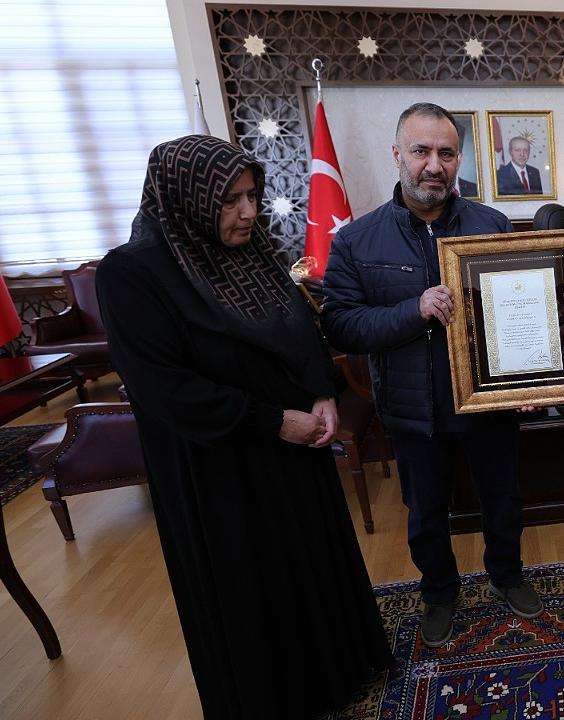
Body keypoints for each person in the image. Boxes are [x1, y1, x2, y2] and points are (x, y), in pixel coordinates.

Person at [96, 135, 391, 719]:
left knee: (310, 565)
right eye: (230, 201)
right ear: (189, 200)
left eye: (253, 196)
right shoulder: (132, 274)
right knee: (252, 586)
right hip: (220, 464)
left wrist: (320, 392)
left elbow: (301, 331)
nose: (249, 213)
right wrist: (272, 421)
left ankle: (338, 672)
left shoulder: (252, 250)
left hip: (298, 442)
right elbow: (164, 389)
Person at [321, 102, 544, 650]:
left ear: (458, 158)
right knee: (425, 515)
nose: (434, 165)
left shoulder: (491, 225)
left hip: (487, 404)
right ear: (397, 155)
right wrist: (413, 309)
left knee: (502, 499)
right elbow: (342, 326)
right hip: (411, 408)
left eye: (446, 153)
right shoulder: (356, 240)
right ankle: (440, 592)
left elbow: (517, 311)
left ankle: (507, 575)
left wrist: (529, 377)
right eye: (421, 151)